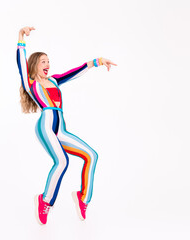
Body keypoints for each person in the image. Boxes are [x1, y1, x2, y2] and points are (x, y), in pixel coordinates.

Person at [16, 26, 117, 225]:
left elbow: (76, 71)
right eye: (43, 61)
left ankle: (83, 198)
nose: (48, 64)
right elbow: (20, 63)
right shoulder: (31, 84)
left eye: (48, 61)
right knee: (62, 162)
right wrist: (21, 38)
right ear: (35, 65)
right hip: (45, 125)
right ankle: (45, 201)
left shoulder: (54, 80)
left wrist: (97, 61)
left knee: (92, 155)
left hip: (60, 129)